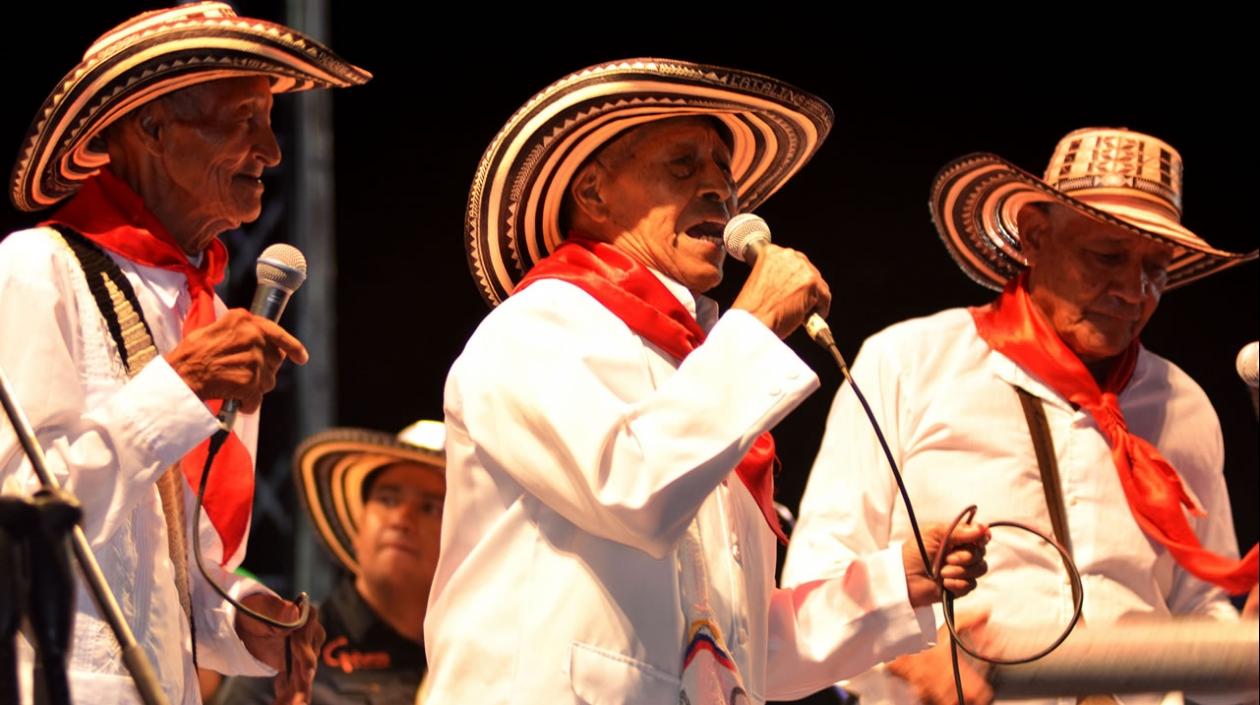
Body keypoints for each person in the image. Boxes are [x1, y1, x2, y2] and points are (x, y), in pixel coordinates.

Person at [423, 58, 989, 705]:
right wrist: (754, 323)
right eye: (684, 165)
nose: (721, 190)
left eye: (725, 172)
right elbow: (635, 488)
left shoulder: (701, 376)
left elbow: (739, 647)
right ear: (593, 192)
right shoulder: (539, 323)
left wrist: (899, 583)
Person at [782, 127, 1259, 705]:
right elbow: (818, 571)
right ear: (1035, 236)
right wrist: (908, 652)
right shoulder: (909, 362)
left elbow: (1198, 609)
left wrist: (1240, 648)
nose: (1135, 292)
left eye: (1156, 268)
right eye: (1107, 257)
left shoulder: (1183, 405)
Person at [0, 3, 369, 703]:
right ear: (152, 128)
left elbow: (180, 564)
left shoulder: (212, 316)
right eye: (244, 120)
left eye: (270, 122)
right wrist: (178, 386)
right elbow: (20, 516)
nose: (272, 151)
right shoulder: (36, 268)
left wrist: (245, 623)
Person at [211, 421, 445, 705]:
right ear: (358, 527)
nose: (401, 519)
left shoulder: (482, 649)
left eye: (430, 507)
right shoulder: (287, 647)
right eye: (387, 499)